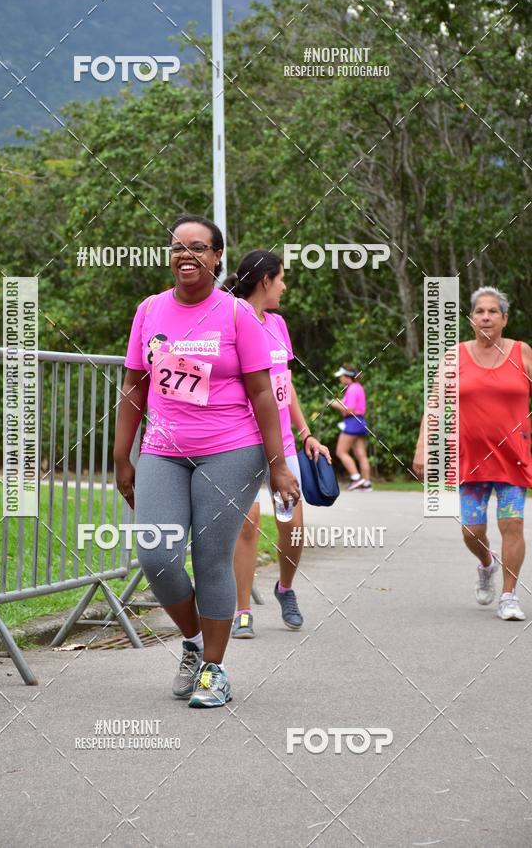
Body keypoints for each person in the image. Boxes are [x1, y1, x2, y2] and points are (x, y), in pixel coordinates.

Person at [114, 215, 300, 708]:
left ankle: (214, 672)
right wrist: (121, 455)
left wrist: (278, 464)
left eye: (198, 248)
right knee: (157, 555)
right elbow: (134, 387)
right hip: (163, 449)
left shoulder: (237, 314)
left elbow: (263, 393)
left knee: (210, 558)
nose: (186, 256)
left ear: (217, 257)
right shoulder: (150, 310)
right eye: (177, 247)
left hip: (232, 449)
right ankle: (195, 643)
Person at [223, 251, 331, 639]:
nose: (285, 286)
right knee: (247, 527)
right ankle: (242, 610)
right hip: (239, 440)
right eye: (282, 278)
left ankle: (285, 588)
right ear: (266, 280)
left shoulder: (279, 324)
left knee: (293, 527)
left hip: (283, 443)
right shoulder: (230, 317)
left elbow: (285, 384)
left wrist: (306, 433)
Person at [413, 286, 532, 621]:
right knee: (472, 530)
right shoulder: (455, 356)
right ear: (470, 319)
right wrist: (423, 447)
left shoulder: (522, 353)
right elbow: (435, 404)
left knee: (512, 524)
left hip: (513, 457)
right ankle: (486, 563)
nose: (486, 317)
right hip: (470, 460)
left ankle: (508, 595)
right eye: (480, 311)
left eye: (493, 311)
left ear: (505, 318)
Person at [328, 365, 372, 490]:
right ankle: (366, 484)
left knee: (341, 452)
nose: (340, 379)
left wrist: (334, 404)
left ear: (347, 377)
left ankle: (356, 478)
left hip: (352, 421)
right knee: (361, 454)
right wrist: (337, 402)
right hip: (360, 421)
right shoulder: (357, 387)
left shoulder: (352, 388)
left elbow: (350, 409)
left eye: (341, 376)